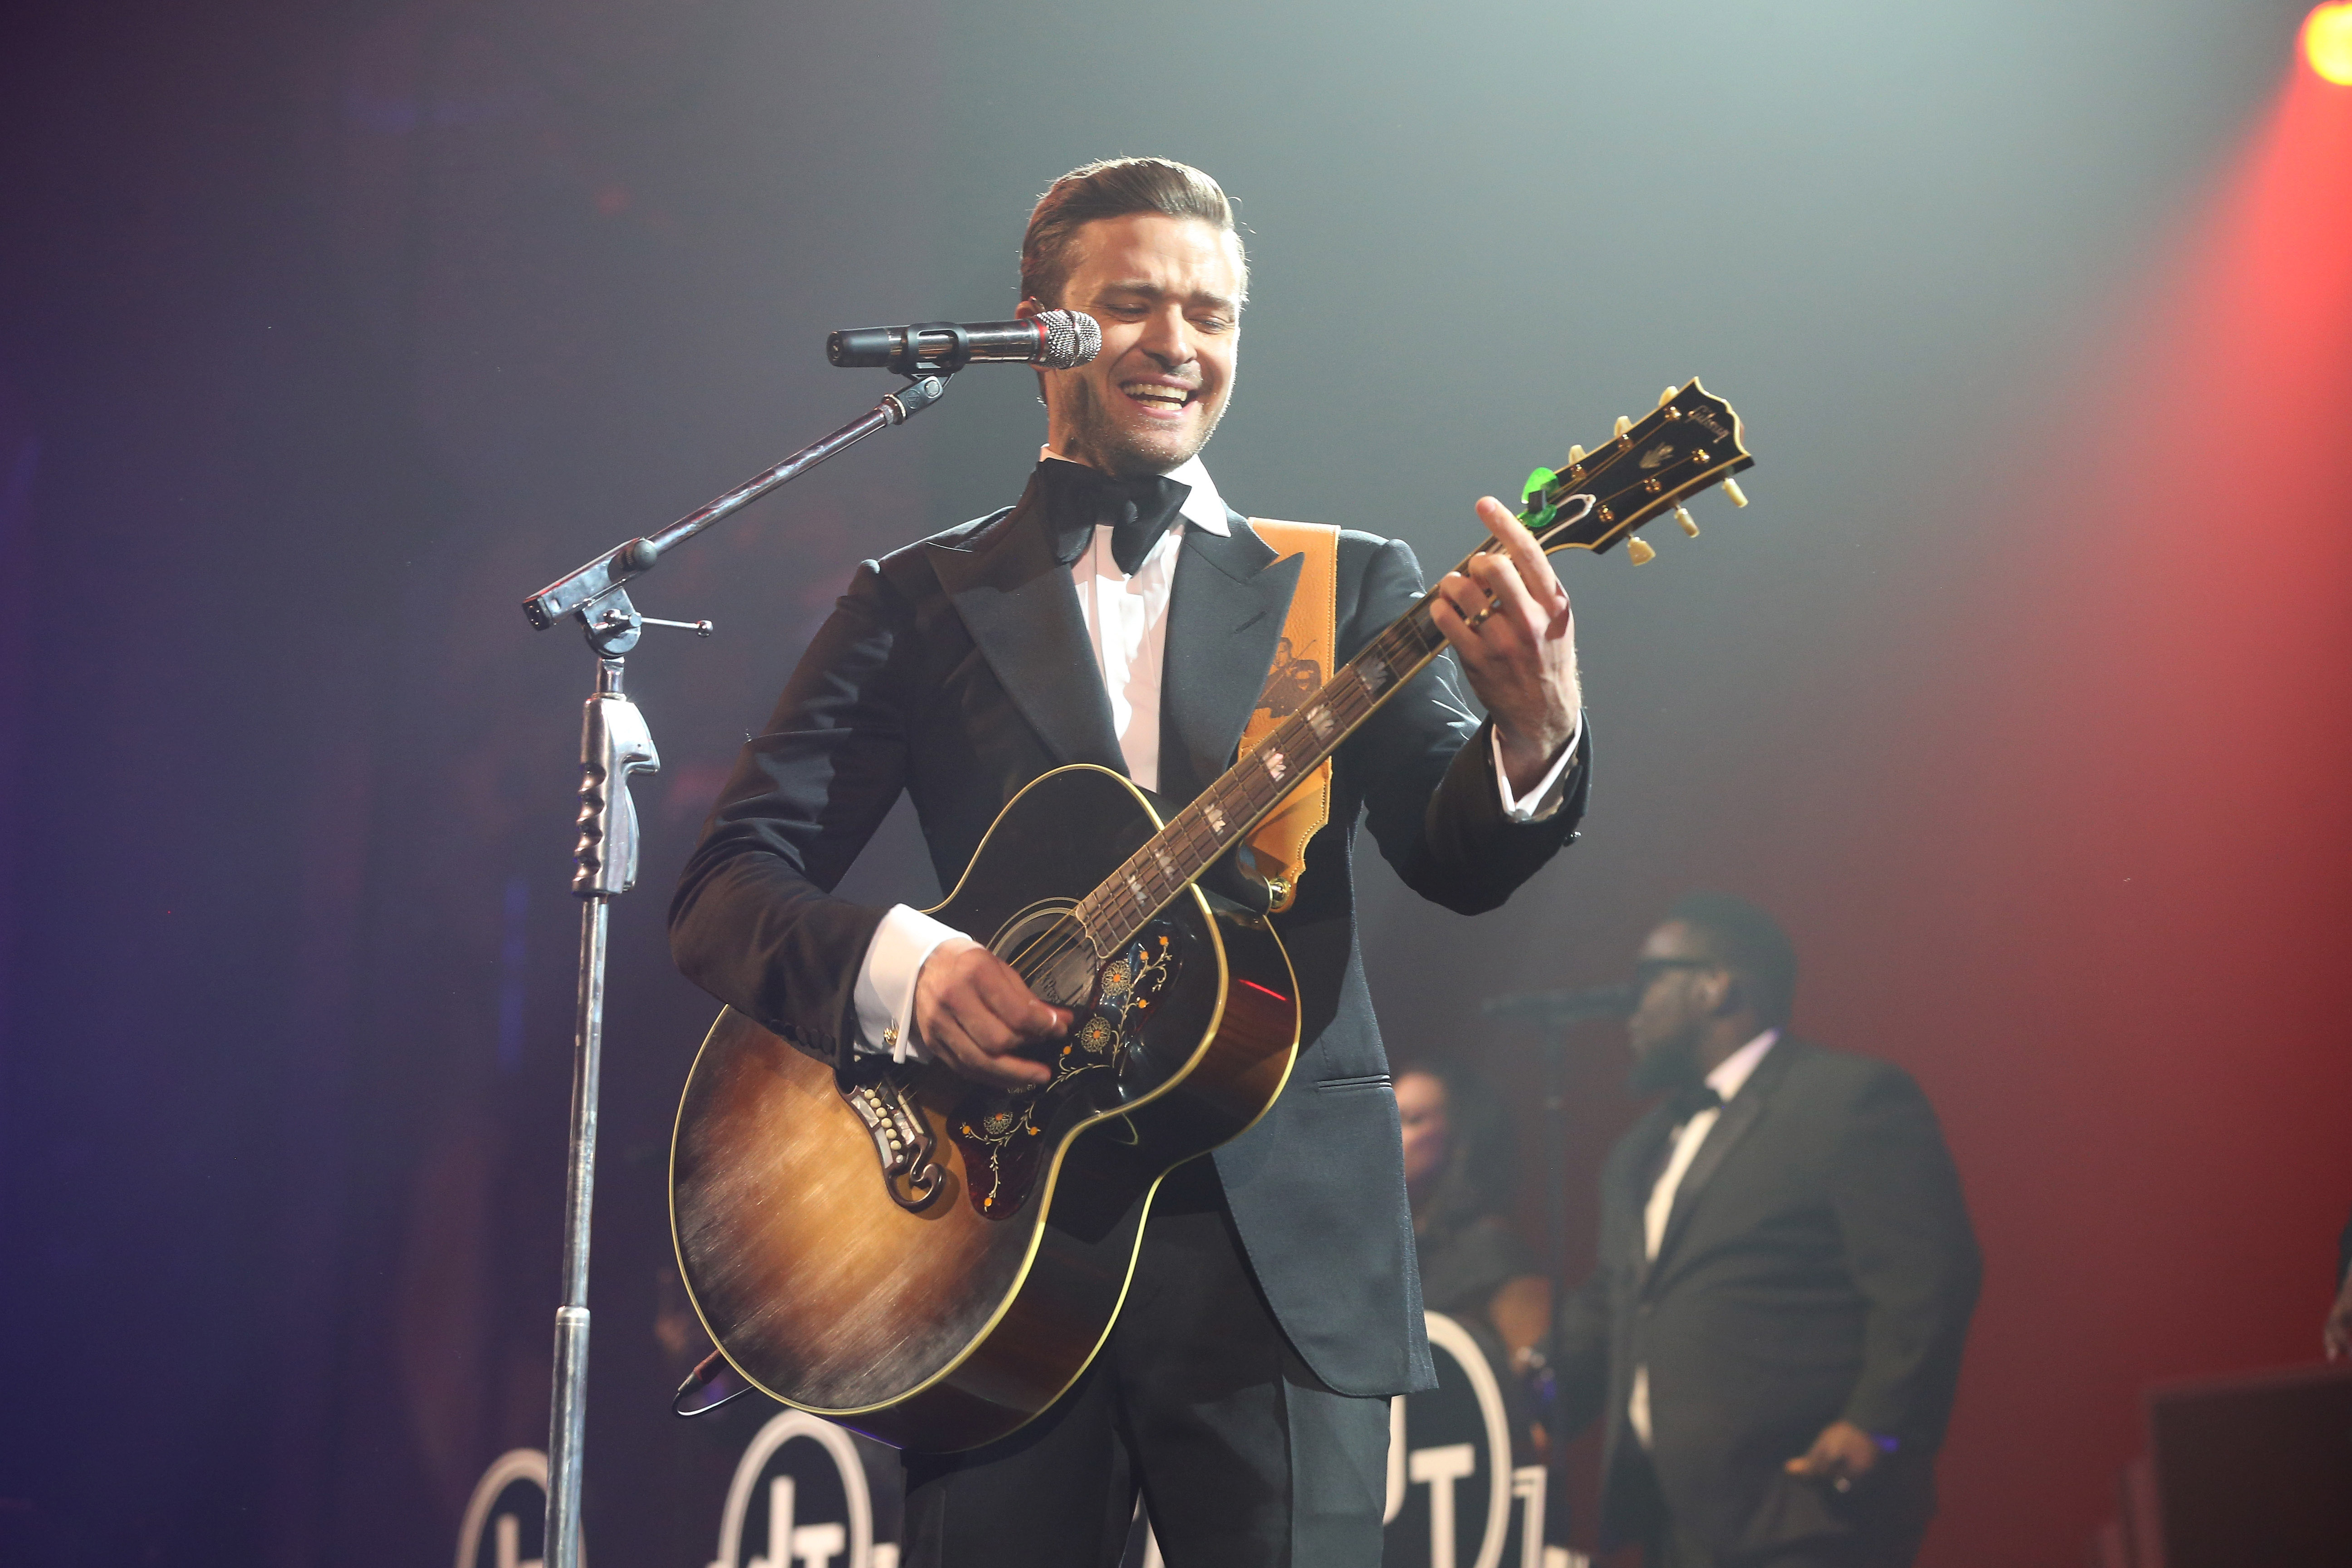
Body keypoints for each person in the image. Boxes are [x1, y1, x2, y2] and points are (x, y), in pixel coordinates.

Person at [670, 157, 1592, 1568]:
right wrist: (913, 976)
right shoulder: (920, 602)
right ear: (1043, 323)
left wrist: (1537, 732)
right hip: (984, 1255)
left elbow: (1455, 859)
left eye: (1213, 314)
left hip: (1276, 1266)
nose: (1180, 345)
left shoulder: (1346, 585)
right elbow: (729, 884)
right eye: (1137, 306)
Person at [1551, 894, 1980, 1568]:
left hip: (1806, 1509)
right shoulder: (1640, 1149)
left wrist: (1880, 1423)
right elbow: (1616, 1300)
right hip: (1673, 1522)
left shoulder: (1845, 1100)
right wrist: (1526, 1383)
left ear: (1717, 986)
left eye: (1647, 980)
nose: (1627, 1006)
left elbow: (1927, 1278)